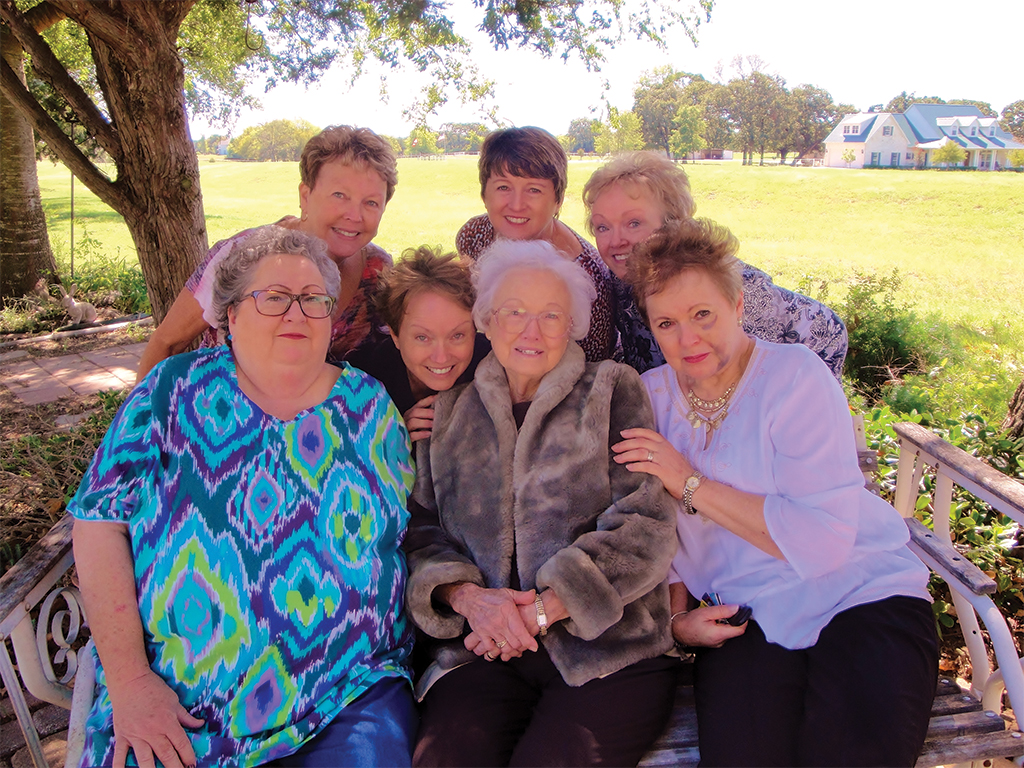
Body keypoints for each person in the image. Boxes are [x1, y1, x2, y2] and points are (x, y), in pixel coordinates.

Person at [70, 226, 417, 767]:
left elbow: (403, 534)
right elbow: (98, 524)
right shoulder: (169, 392)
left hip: (346, 690)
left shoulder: (370, 407)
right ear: (231, 316)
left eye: (313, 300)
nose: (297, 314)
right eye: (274, 298)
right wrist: (131, 681)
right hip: (181, 702)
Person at [611, 219, 938, 766]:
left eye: (703, 314)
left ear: (738, 305)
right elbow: (651, 526)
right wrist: (675, 623)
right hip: (745, 617)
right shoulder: (648, 399)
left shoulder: (794, 378)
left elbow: (822, 543)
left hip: (859, 593)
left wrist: (688, 481)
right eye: (666, 323)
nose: (688, 339)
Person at [404, 239, 680, 767]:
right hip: (484, 648)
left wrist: (543, 609)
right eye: (514, 312)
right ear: (487, 321)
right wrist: (469, 600)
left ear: (572, 325)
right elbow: (421, 534)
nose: (531, 331)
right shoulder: (449, 413)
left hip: (605, 650)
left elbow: (644, 523)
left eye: (551, 315)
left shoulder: (610, 390)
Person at [136, 125, 398, 382]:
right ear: (305, 196)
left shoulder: (378, 271)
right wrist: (143, 409)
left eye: (371, 202)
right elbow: (167, 343)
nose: (354, 215)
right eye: (339, 195)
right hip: (220, 405)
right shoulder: (245, 255)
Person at [583, 150, 848, 377]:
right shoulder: (618, 281)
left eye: (633, 223)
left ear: (673, 223)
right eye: (603, 227)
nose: (615, 241)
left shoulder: (721, 284)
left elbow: (825, 331)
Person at [455, 126, 617, 362]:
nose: (516, 205)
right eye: (503, 187)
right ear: (484, 195)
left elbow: (592, 364)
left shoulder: (589, 278)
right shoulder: (474, 236)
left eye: (534, 190)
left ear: (558, 199)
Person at [347, 246, 490, 441]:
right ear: (395, 335)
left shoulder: (493, 367)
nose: (441, 357)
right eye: (422, 338)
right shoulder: (363, 380)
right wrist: (391, 435)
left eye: (457, 336)